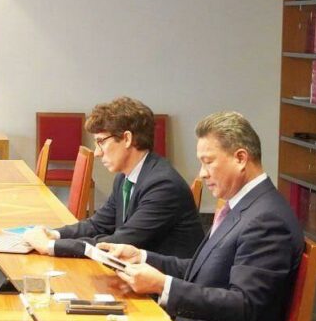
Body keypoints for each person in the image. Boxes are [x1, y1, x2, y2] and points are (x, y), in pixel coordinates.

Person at [102, 111, 303, 321]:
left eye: (208, 162)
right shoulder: (241, 207)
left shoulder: (266, 219)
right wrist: (142, 257)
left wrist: (163, 286)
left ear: (240, 158)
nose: (202, 173)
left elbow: (244, 305)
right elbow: (202, 272)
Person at [23, 97, 203, 258]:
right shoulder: (124, 178)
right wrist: (53, 234)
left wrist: (50, 246)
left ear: (127, 139)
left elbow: (120, 242)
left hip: (161, 281)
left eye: (101, 142)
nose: (97, 153)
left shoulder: (162, 185)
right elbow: (97, 225)